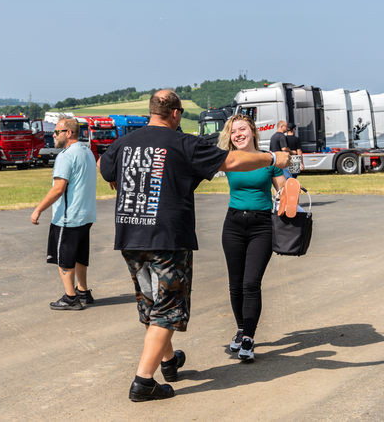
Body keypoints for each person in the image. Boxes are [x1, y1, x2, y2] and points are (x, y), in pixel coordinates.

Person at [98, 90, 289, 402]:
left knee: (152, 301)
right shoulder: (183, 142)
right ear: (176, 114)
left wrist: (120, 178)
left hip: (131, 236)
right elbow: (232, 159)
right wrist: (272, 158)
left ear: (151, 111)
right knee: (169, 308)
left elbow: (105, 168)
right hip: (167, 237)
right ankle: (143, 381)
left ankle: (169, 362)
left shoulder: (124, 142)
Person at [218, 114, 287, 362]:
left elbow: (283, 191)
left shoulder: (269, 160)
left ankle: (248, 338)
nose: (238, 134)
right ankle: (240, 329)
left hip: (261, 226)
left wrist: (291, 192)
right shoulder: (229, 159)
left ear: (253, 132)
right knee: (235, 285)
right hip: (233, 224)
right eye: (233, 130)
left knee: (251, 284)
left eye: (242, 129)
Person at [31, 117, 97, 310]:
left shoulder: (65, 156)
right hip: (86, 215)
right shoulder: (87, 151)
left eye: (57, 131)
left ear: (68, 133)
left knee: (64, 258)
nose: (53, 135)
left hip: (68, 217)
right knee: (80, 255)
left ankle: (71, 298)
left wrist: (38, 209)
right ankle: (83, 291)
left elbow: (58, 189)